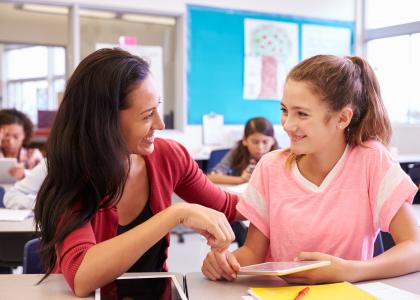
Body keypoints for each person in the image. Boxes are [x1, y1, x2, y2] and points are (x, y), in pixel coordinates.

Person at [34, 48, 239, 297]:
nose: (160, 125)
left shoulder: (169, 156)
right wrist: (176, 214)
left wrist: (289, 182)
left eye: (157, 108)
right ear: (104, 121)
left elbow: (229, 206)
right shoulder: (72, 176)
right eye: (147, 115)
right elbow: (82, 276)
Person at [201, 55, 420, 284]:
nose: (287, 125)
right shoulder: (270, 166)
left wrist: (349, 271)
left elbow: (415, 249)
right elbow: (252, 253)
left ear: (342, 118)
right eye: (285, 110)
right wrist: (222, 263)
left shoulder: (371, 160)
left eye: (302, 114)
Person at [207, 117, 278, 185]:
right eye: (255, 142)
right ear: (245, 140)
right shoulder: (237, 152)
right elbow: (211, 177)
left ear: (273, 141)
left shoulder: (281, 155)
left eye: (265, 142)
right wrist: (241, 179)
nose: (260, 147)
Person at [0, 109, 43, 180]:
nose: (11, 142)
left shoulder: (33, 155)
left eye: (16, 136)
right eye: (6, 136)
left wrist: (24, 173)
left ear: (24, 135)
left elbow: (43, 179)